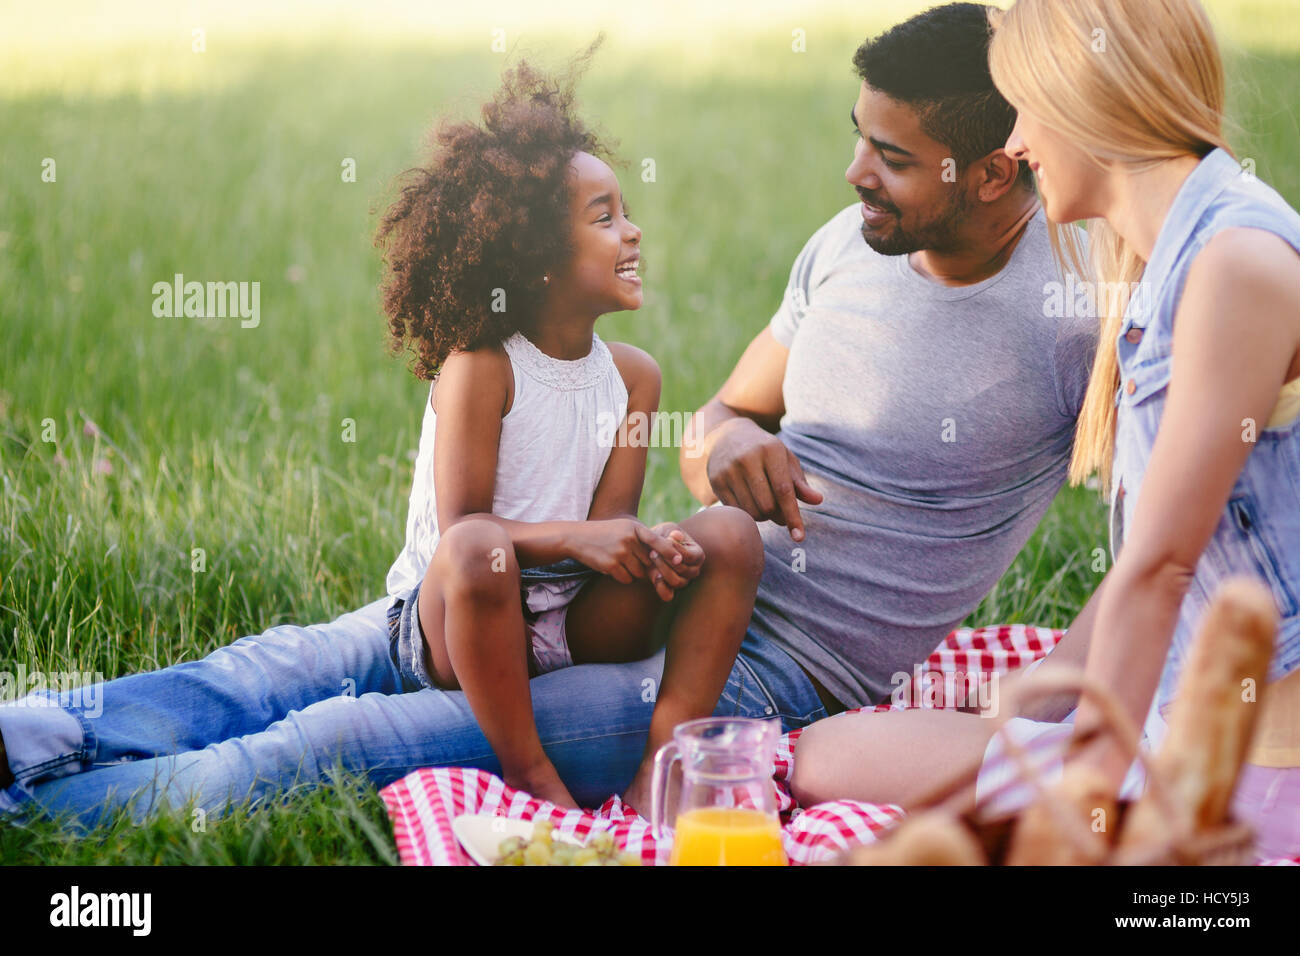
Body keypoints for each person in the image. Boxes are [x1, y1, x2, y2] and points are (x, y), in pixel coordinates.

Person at [0, 4, 1093, 828]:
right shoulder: (851, 242)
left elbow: (1193, 512)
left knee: (344, 735)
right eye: (857, 136)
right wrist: (734, 443)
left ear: (994, 173)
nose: (854, 172)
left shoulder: (1076, 310)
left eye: (891, 158)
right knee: (278, 664)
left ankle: (45, 819)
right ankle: (38, 734)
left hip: (764, 669)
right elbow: (719, 419)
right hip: (636, 589)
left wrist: (1064, 711)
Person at [790, 0, 1300, 860]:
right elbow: (1160, 555)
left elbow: (1162, 566)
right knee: (820, 758)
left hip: (1251, 763)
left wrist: (1088, 796)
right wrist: (1033, 700)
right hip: (1171, 714)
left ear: (1085, 104)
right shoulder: (1164, 257)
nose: (1018, 143)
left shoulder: (1235, 265)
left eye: (1026, 109)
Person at [374, 61, 763, 811]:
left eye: (627, 210)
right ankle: (531, 774)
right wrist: (574, 541)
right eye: (604, 217)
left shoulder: (634, 378)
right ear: (540, 260)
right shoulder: (482, 367)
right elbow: (464, 532)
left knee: (732, 537)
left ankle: (666, 761)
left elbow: (610, 523)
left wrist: (649, 545)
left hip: (571, 619)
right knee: (476, 552)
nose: (634, 229)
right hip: (461, 622)